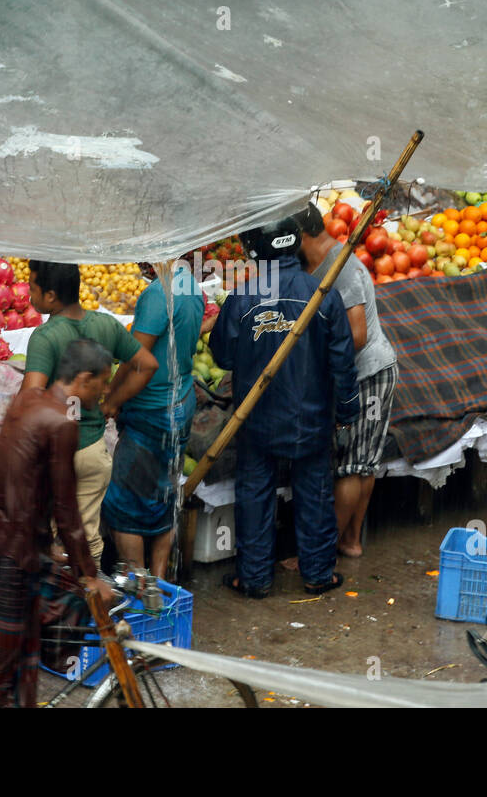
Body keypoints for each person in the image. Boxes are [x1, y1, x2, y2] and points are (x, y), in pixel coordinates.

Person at [209, 217, 360, 597]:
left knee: (255, 495)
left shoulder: (243, 298)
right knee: (315, 494)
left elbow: (223, 357)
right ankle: (318, 574)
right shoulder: (321, 293)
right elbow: (342, 361)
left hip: (256, 420)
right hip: (311, 420)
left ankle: (255, 578)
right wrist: (348, 411)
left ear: (255, 251)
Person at [0, 338, 117, 708]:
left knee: (19, 654)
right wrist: (89, 573)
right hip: (8, 552)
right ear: (83, 379)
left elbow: (32, 485)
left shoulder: (30, 399)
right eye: (102, 382)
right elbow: (67, 509)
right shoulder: (62, 420)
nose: (105, 390)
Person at [21, 260, 159, 567]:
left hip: (56, 453)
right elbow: (147, 364)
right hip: (92, 451)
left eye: (33, 288)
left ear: (51, 296)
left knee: (48, 539)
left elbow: (30, 395)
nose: (29, 294)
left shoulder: (45, 337)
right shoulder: (106, 325)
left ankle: (60, 605)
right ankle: (89, 603)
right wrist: (113, 402)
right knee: (85, 536)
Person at [295, 203, 399, 558]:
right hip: (360, 372)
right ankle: (350, 541)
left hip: (367, 374)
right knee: (363, 462)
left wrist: (311, 362)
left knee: (351, 467)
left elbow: (355, 335)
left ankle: (322, 553)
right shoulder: (313, 261)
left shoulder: (344, 268)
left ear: (302, 234)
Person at [101, 261, 205, 579]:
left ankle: (140, 583)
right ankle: (160, 581)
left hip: (153, 409)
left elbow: (138, 361)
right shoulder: (191, 285)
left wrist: (112, 401)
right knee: (164, 494)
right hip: (181, 400)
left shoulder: (157, 295)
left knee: (124, 504)